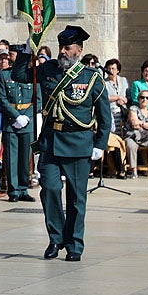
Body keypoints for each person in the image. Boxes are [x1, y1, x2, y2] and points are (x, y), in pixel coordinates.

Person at [13, 25, 110, 263]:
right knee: (50, 190)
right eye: (61, 47)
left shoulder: (91, 77)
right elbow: (19, 75)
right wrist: (28, 48)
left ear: (79, 50)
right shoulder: (48, 70)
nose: (63, 52)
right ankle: (55, 238)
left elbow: (104, 116)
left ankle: (74, 244)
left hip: (79, 143)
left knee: (77, 198)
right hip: (51, 143)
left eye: (68, 48)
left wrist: (100, 144)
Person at [0, 49, 37, 202]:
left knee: (25, 157)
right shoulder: (4, 74)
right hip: (11, 122)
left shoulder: (32, 74)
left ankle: (23, 188)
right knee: (11, 158)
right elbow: (2, 98)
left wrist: (26, 117)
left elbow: (37, 99)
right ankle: (13, 190)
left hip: (27, 122)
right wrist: (15, 117)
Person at [125, 90, 148, 177]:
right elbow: (134, 124)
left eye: (147, 98)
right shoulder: (133, 109)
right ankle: (134, 170)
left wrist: (141, 123)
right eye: (142, 97)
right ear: (138, 99)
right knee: (130, 145)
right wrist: (147, 125)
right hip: (133, 135)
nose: (144, 99)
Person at [103, 59, 129, 134]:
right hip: (111, 110)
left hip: (123, 109)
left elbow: (128, 96)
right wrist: (118, 97)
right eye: (109, 69)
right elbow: (105, 98)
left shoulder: (123, 80)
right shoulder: (104, 82)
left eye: (113, 68)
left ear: (117, 70)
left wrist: (124, 100)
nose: (111, 71)